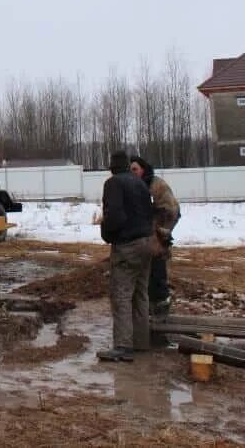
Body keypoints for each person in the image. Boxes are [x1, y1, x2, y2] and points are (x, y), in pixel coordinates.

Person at [97, 150, 154, 362]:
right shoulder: (138, 182)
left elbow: (115, 216)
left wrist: (107, 233)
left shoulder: (113, 184)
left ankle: (122, 346)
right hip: (147, 243)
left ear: (112, 166)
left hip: (127, 245)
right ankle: (140, 342)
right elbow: (149, 211)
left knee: (121, 294)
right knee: (140, 293)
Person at [130, 155, 180, 318]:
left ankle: (161, 314)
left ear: (143, 169)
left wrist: (162, 232)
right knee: (142, 280)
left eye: (135, 169)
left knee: (157, 277)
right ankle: (146, 316)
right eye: (130, 170)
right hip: (139, 242)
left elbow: (172, 210)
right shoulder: (131, 186)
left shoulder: (156, 185)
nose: (132, 172)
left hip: (156, 241)